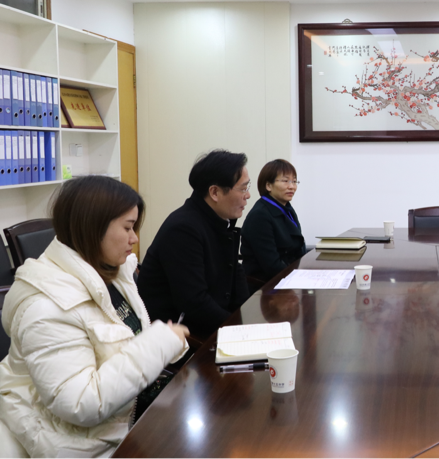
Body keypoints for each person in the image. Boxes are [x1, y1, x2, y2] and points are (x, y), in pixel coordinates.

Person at [0, 176, 189, 458]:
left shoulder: (111, 272)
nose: (135, 238)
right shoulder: (47, 307)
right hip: (83, 443)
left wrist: (161, 344)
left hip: (128, 416)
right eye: (127, 227)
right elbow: (81, 403)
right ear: (93, 228)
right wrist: (158, 345)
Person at [139, 150, 251, 338]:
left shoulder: (219, 220)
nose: (247, 195)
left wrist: (247, 319)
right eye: (242, 189)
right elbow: (194, 303)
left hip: (211, 325)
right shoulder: (183, 229)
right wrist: (238, 330)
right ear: (215, 192)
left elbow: (234, 272)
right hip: (181, 337)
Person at [241, 159, 307, 283]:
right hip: (265, 285)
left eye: (294, 181)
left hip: (288, 277)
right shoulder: (260, 215)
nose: (292, 186)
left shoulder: (286, 208)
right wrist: (299, 280)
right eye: (285, 181)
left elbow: (298, 247)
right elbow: (272, 265)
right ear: (268, 185)